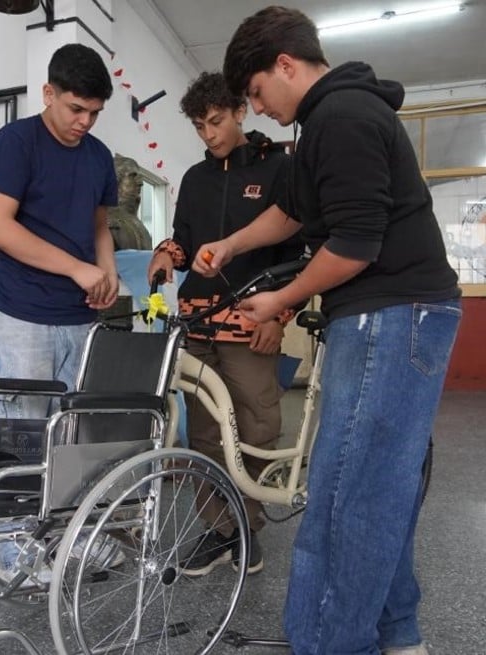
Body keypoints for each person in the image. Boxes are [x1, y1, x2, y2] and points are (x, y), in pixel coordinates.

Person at [197, 7, 462, 654]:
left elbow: (355, 244)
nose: (259, 109)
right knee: (380, 485)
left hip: (388, 315)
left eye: (257, 91)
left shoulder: (342, 117)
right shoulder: (326, 121)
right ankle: (397, 633)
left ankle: (329, 643)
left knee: (347, 494)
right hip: (399, 313)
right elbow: (291, 212)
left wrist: (279, 301)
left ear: (285, 65)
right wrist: (231, 244)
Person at [147, 71, 304, 577]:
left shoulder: (279, 168)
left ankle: (247, 526)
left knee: (257, 428)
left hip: (252, 327)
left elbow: (298, 251)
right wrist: (165, 254)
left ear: (240, 111)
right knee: (206, 438)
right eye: (199, 126)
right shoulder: (196, 179)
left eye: (216, 121)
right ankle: (220, 531)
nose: (209, 134)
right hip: (198, 328)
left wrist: (281, 315)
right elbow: (184, 241)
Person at [0, 42, 120, 580]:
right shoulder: (17, 142)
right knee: (22, 429)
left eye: (94, 113)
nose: (85, 122)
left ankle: (63, 538)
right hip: (21, 310)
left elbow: (99, 224)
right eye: (75, 109)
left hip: (78, 316)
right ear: (48, 94)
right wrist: (77, 269)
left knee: (73, 433)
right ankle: (12, 553)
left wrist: (106, 272)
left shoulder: (98, 156)